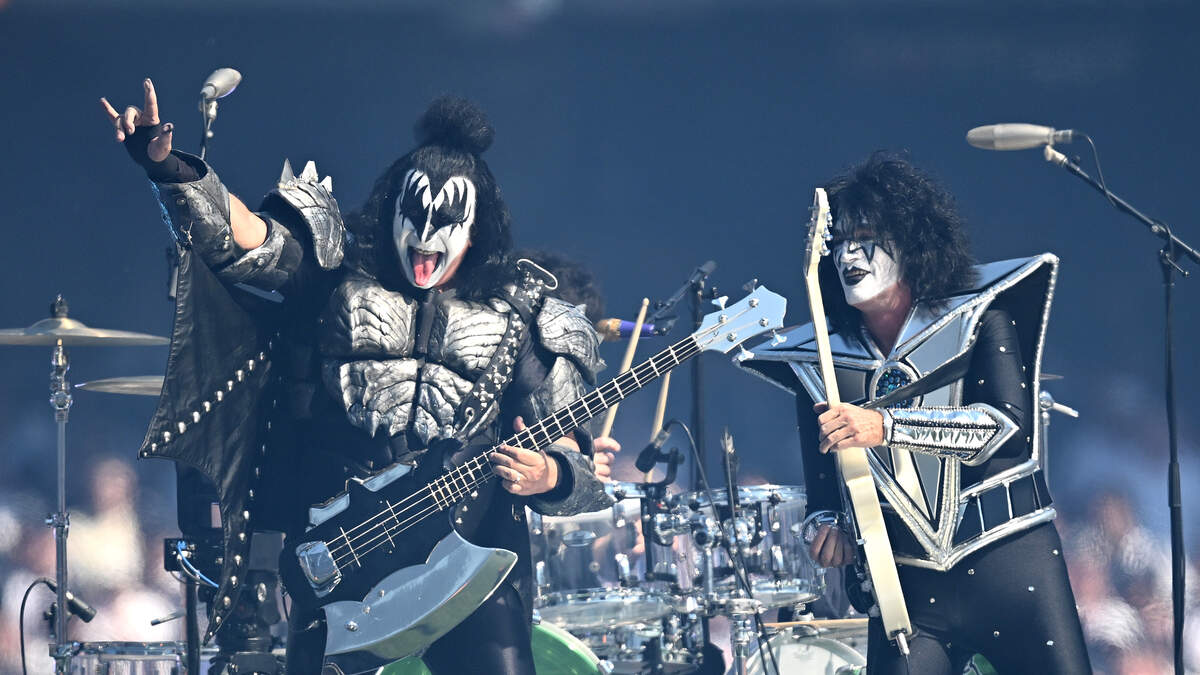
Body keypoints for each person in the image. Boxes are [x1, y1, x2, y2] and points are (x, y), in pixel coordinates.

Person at [100, 80, 614, 674]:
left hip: (472, 576)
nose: (426, 235)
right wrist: (171, 169)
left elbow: (579, 466)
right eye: (414, 213)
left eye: (447, 219)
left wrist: (549, 474)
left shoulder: (522, 316)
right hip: (342, 564)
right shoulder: (334, 277)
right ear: (392, 207)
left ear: (477, 228)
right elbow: (248, 238)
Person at [737, 153, 1091, 673]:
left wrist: (884, 426)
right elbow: (823, 495)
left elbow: (1007, 428)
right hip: (909, 590)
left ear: (912, 242)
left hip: (1011, 563)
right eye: (839, 241)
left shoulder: (979, 315)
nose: (848, 253)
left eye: (865, 237)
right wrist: (826, 530)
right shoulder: (819, 359)